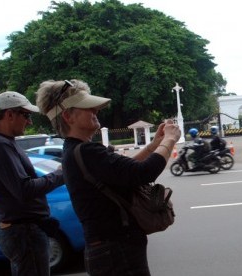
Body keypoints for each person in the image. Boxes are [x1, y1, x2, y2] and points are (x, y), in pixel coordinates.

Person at [35, 79, 181, 276]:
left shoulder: (77, 150)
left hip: (111, 249)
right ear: (68, 116)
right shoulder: (86, 151)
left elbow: (125, 172)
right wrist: (170, 139)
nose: (95, 110)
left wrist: (154, 145)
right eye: (88, 108)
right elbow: (143, 173)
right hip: (115, 250)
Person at [0, 91, 65, 276]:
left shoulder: (3, 143)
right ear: (9, 114)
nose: (29, 122)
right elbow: (24, 189)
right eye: (26, 115)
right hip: (23, 232)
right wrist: (59, 175)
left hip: (24, 230)